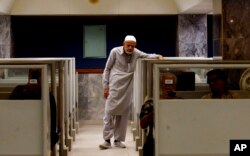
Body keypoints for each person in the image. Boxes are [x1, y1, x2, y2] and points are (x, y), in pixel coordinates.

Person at [99, 35, 163, 149]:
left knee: (123, 114)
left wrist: (158, 56)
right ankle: (107, 140)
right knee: (109, 112)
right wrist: (105, 86)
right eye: (128, 45)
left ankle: (118, 140)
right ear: (123, 43)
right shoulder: (115, 51)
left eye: (132, 46)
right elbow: (107, 68)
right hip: (114, 85)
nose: (130, 48)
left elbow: (147, 55)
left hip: (127, 86)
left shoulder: (136, 52)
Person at [9, 69, 59, 153]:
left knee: (52, 136)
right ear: (29, 76)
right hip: (19, 130)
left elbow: (52, 123)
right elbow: (10, 113)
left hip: (40, 133)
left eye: (37, 75)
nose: (34, 78)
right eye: (33, 75)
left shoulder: (47, 95)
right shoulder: (19, 90)